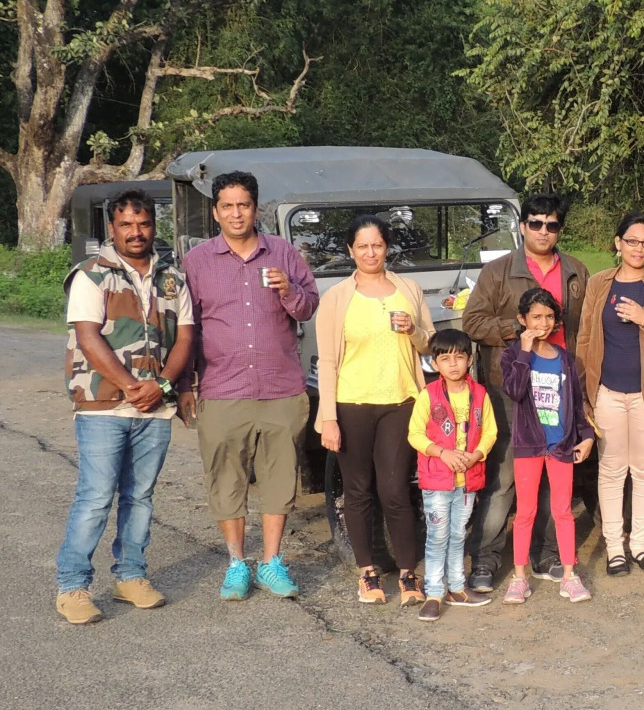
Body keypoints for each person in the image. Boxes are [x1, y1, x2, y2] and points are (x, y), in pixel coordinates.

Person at [56, 189, 195, 624]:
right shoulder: (91, 275)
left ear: (154, 226)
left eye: (144, 224)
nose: (136, 233)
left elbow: (186, 336)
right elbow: (88, 337)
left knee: (140, 496)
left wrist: (164, 385)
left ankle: (130, 575)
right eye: (126, 225)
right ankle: (72, 586)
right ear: (111, 229)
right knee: (96, 496)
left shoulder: (172, 277)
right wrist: (135, 386)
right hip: (103, 404)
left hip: (155, 405)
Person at [181, 169, 320, 601]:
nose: (236, 213)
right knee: (226, 478)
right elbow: (186, 328)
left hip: (280, 387)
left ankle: (272, 562)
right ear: (215, 211)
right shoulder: (197, 261)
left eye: (244, 205)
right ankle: (237, 563)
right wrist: (186, 384)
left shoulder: (284, 252)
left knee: (280, 479)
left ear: (255, 209)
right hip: (222, 389)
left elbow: (309, 306)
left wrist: (288, 289)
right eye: (228, 206)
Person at [461, 192, 590, 593]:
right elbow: (472, 322)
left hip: (560, 388)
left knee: (557, 481)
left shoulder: (575, 271)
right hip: (512, 389)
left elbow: (583, 329)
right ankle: (486, 558)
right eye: (535, 223)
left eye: (551, 224)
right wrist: (520, 331)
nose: (543, 231)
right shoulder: (500, 271)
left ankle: (548, 554)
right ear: (522, 226)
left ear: (559, 229)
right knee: (503, 480)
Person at [315, 214, 436, 606]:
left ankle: (407, 572)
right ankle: (366, 572)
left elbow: (430, 344)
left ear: (387, 248)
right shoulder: (336, 298)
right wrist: (328, 418)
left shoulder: (408, 289)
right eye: (362, 246)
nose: (370, 252)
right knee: (358, 490)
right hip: (352, 403)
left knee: (395, 488)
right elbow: (328, 362)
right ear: (351, 250)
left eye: (377, 245)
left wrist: (413, 330)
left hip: (401, 402)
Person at [575, 212, 644, 576]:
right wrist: (585, 392)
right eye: (632, 241)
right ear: (618, 243)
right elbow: (585, 340)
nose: (639, 248)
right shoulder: (599, 284)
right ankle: (615, 548)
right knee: (610, 470)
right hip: (607, 392)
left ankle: (640, 545)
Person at [501, 288, 595, 604]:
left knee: (563, 511)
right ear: (522, 319)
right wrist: (525, 351)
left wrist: (587, 436)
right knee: (525, 511)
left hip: (561, 445)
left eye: (549, 316)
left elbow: (577, 405)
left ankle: (569, 575)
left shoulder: (566, 360)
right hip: (529, 446)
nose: (543, 323)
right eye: (536, 317)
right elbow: (514, 391)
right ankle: (519, 578)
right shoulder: (513, 354)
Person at [408, 328, 497, 621]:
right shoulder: (428, 395)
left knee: (458, 534)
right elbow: (415, 435)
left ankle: (457, 588)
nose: (453, 364)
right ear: (435, 364)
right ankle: (434, 592)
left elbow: (491, 433)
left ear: (469, 360)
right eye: (445, 359)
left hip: (468, 480)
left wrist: (475, 455)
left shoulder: (480, 394)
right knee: (437, 537)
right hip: (437, 481)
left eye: (459, 357)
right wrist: (442, 453)